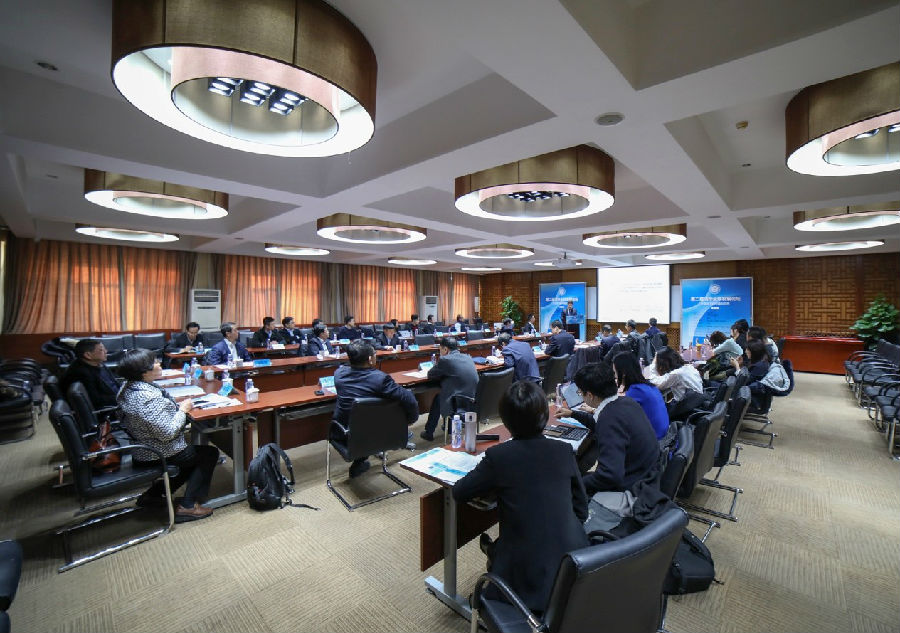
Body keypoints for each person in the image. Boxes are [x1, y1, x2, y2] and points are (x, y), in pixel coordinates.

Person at [453, 381, 588, 614]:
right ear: (544, 416)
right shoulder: (563, 450)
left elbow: (460, 491)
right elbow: (581, 509)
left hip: (530, 576)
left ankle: (495, 553)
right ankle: (494, 549)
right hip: (576, 562)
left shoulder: (499, 456)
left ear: (505, 421)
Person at [116, 349, 219, 522]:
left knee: (192, 457)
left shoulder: (129, 385)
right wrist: (183, 410)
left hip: (142, 444)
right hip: (154, 451)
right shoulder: (146, 397)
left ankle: (153, 495)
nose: (159, 363)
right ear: (144, 372)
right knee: (208, 454)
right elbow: (168, 433)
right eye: (155, 362)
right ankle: (187, 506)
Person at [556, 363, 659, 497]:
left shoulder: (609, 418)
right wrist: (572, 414)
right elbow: (599, 422)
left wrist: (576, 484)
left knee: (565, 488)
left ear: (590, 395)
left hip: (632, 489)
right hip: (646, 475)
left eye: (580, 393)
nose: (581, 396)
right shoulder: (626, 402)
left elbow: (609, 475)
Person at [333, 341, 419, 477]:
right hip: (379, 434)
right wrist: (409, 420)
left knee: (362, 420)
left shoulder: (338, 374)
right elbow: (409, 400)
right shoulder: (380, 379)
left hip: (345, 433)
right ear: (370, 359)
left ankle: (360, 462)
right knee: (372, 418)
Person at [420, 336, 478, 441]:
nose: (440, 352)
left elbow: (430, 375)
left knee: (439, 398)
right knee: (448, 391)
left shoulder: (445, 360)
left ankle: (429, 432)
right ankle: (449, 427)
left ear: (445, 349)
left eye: (440, 350)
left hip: (457, 401)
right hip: (472, 400)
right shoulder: (468, 357)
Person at [611, 352, 669, 440]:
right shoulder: (647, 386)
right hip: (663, 435)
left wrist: (594, 409)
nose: (615, 376)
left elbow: (619, 416)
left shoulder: (635, 391)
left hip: (654, 440)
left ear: (623, 373)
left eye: (615, 372)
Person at [60, 339, 120, 409]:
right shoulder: (81, 374)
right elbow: (96, 401)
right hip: (111, 407)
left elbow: (114, 383)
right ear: (88, 355)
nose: (106, 351)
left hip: (118, 396)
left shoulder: (97, 363)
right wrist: (121, 398)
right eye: (101, 350)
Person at [733, 339, 771, 409]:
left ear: (754, 352)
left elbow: (742, 381)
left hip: (752, 397)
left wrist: (737, 366)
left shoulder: (760, 366)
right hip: (750, 392)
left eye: (748, 350)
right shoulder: (760, 361)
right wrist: (741, 364)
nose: (745, 351)